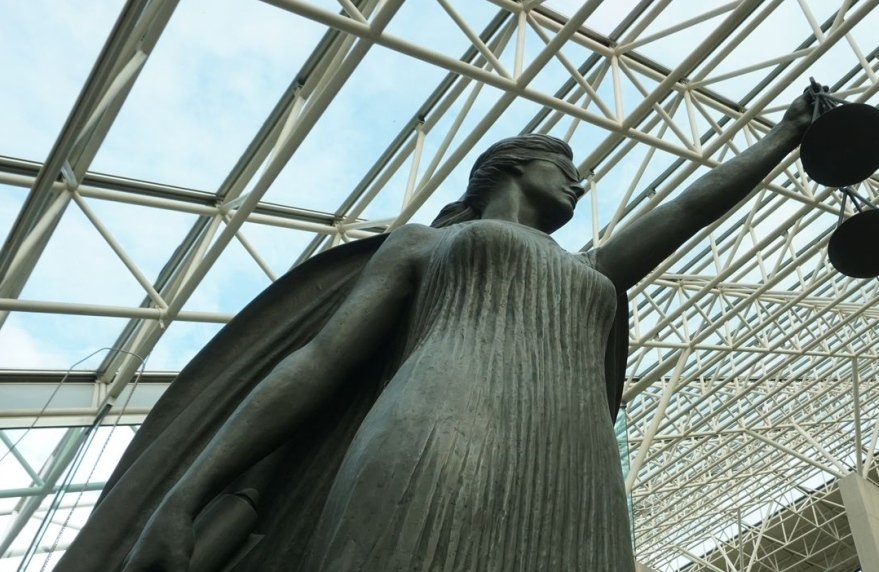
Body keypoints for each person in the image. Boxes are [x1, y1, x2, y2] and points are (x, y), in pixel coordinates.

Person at [57, 95, 813, 572]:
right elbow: (319, 362)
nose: (581, 183)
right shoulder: (422, 243)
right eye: (566, 167)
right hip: (444, 432)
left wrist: (784, 137)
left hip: (576, 463)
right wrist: (185, 496)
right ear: (515, 167)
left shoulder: (596, 270)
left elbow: (685, 211)